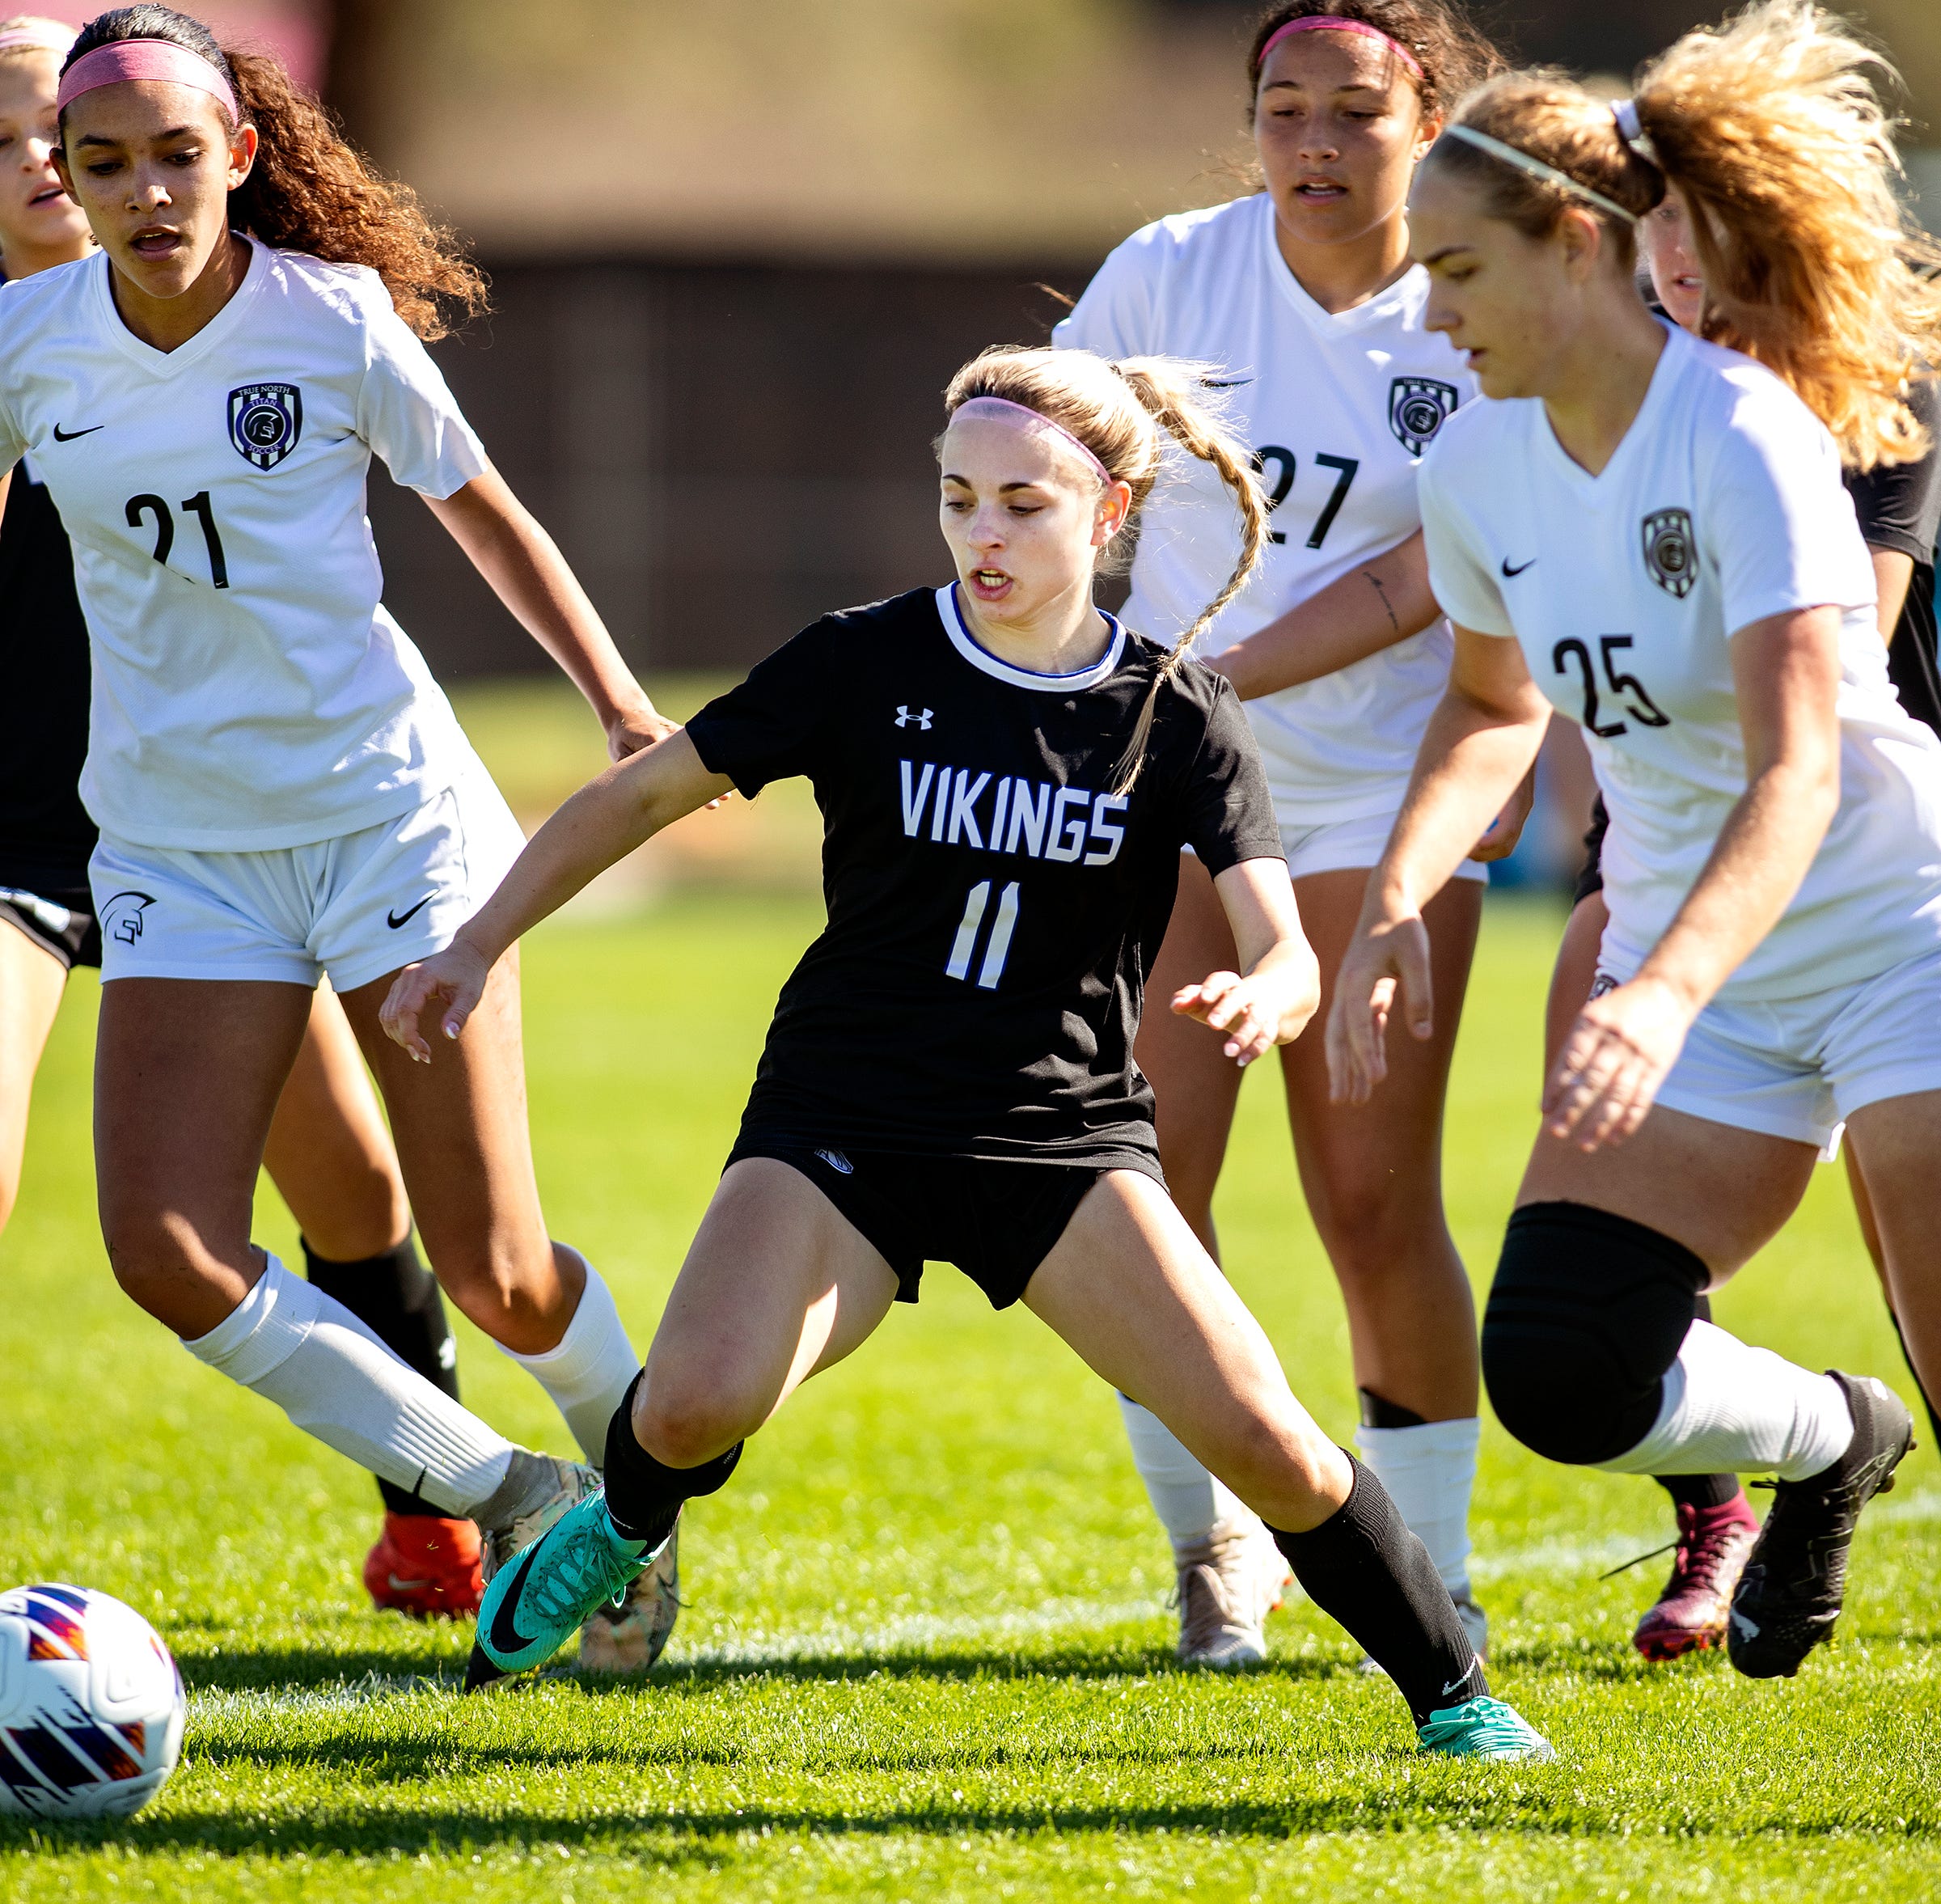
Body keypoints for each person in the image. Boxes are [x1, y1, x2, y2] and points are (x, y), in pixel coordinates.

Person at [382, 344, 1553, 1762]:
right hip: (841, 1122)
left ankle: (1460, 1700)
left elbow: (1278, 933)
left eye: (1023, 505)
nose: (983, 535)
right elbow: (644, 797)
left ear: (1109, 515)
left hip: (1058, 1142)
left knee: (1273, 1440)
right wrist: (477, 940)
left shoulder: (1174, 711)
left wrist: (1280, 990)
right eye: (958, 498)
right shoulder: (862, 659)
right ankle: (618, 1521)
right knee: (692, 1404)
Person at [5, 6, 677, 1669]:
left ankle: (641, 1506)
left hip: (389, 825)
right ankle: (516, 1490)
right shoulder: (27, 343)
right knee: (165, 1250)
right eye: (108, 164)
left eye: (177, 154)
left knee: (505, 1275)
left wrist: (620, 709)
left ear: (240, 154)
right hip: (177, 847)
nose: (148, 192)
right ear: (67, 182)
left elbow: (488, 513)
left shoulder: (334, 317)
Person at [1327, 0, 1941, 1683]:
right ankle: (1833, 1438)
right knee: (1566, 1370)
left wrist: (1657, 994)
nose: (1424, 310)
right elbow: (1487, 708)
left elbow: (1801, 769)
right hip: (1703, 953)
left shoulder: (1743, 434)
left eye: (1452, 269)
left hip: (1900, 928)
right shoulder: (1478, 464)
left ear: (1578, 245)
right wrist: (1392, 897)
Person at [0, 11, 488, 1623]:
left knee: (353, 1199)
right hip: (18, 844)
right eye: (21, 149)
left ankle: (440, 1499)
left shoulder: (248, 321)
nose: (47, 177)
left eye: (46, 140)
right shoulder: (23, 354)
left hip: (222, 825)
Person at [1052, 0, 1511, 1666]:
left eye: (1356, 114)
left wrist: (1216, 672)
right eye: (1285, 109)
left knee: (1373, 1196)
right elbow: (1046, 449)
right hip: (1164, 799)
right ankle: (1212, 1547)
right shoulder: (1171, 272)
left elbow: (1430, 582)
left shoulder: (1471, 304)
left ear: (1427, 124)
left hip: (1379, 802)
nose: (1315, 143)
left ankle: (1437, 1578)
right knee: (1144, 1184)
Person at [1541, 169, 1941, 1664]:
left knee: (1921, 1253)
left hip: (1863, 824)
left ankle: (1859, 1440)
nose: (1674, 270)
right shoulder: (1598, 379)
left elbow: (1843, 666)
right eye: (1655, 237)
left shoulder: (1868, 390)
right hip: (1670, 814)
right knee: (1591, 1265)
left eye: (1703, 241)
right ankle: (1737, 1500)